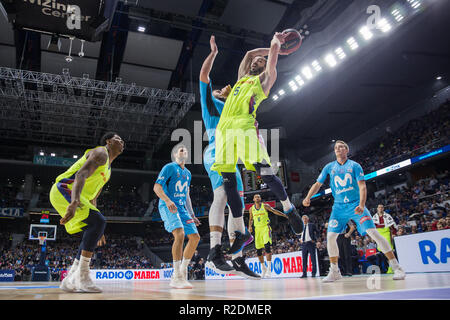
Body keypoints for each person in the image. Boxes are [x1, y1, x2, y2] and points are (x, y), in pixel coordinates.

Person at [210, 31, 303, 251]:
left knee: (265, 172)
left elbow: (271, 64)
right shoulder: (241, 78)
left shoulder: (263, 81)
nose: (256, 61)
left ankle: (289, 209)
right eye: (255, 61)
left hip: (245, 126)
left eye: (260, 61)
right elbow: (250, 52)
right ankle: (240, 233)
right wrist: (273, 48)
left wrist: (276, 46)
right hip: (224, 129)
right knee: (228, 180)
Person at [302, 140, 406, 282]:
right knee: (331, 236)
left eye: (341, 147)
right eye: (336, 148)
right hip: (338, 208)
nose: (338, 149)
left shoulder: (355, 166)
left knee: (373, 233)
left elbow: (362, 186)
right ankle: (334, 271)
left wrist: (362, 205)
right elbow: (317, 184)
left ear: (347, 150)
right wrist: (308, 197)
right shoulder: (329, 167)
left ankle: (397, 268)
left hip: (356, 205)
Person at [199, 35, 257, 279]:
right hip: (214, 154)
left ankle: (238, 258)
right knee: (222, 194)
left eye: (225, 88)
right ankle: (214, 251)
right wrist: (213, 54)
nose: (222, 88)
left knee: (239, 203)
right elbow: (203, 75)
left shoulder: (234, 110)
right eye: (218, 88)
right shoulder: (211, 103)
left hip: (232, 157)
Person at [50, 132, 124, 293]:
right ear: (108, 141)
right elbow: (81, 174)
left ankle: (70, 279)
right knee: (98, 221)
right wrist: (75, 201)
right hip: (65, 189)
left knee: (96, 224)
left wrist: (98, 229)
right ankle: (83, 277)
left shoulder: (108, 170)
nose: (122, 141)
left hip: (78, 196)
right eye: (118, 138)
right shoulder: (100, 152)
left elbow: (92, 198)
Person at [153, 144, 201, 289]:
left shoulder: (188, 173)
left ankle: (181, 271)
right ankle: (177, 275)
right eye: (180, 149)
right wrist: (167, 200)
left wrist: (192, 214)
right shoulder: (169, 167)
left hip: (182, 208)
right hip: (168, 205)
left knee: (195, 237)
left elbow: (187, 196)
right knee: (179, 234)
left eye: (185, 150)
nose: (183, 150)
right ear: (175, 155)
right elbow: (157, 187)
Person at [248, 194, 287, 278]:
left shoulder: (265, 206)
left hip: (265, 228)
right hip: (257, 230)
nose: (257, 198)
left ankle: (269, 269)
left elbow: (274, 211)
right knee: (258, 251)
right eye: (256, 197)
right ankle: (263, 268)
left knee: (267, 247)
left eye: (259, 196)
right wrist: (250, 227)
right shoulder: (251, 209)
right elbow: (251, 219)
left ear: (260, 198)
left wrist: (284, 214)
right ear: (253, 199)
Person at [372, 204, 398, 273]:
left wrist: (393, 233)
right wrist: (373, 236)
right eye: (379, 207)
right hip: (378, 233)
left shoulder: (387, 215)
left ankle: (391, 268)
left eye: (381, 207)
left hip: (386, 232)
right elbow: (372, 227)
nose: (380, 208)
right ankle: (385, 267)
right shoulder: (374, 216)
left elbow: (392, 225)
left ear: (383, 208)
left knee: (389, 249)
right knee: (381, 251)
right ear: (377, 208)